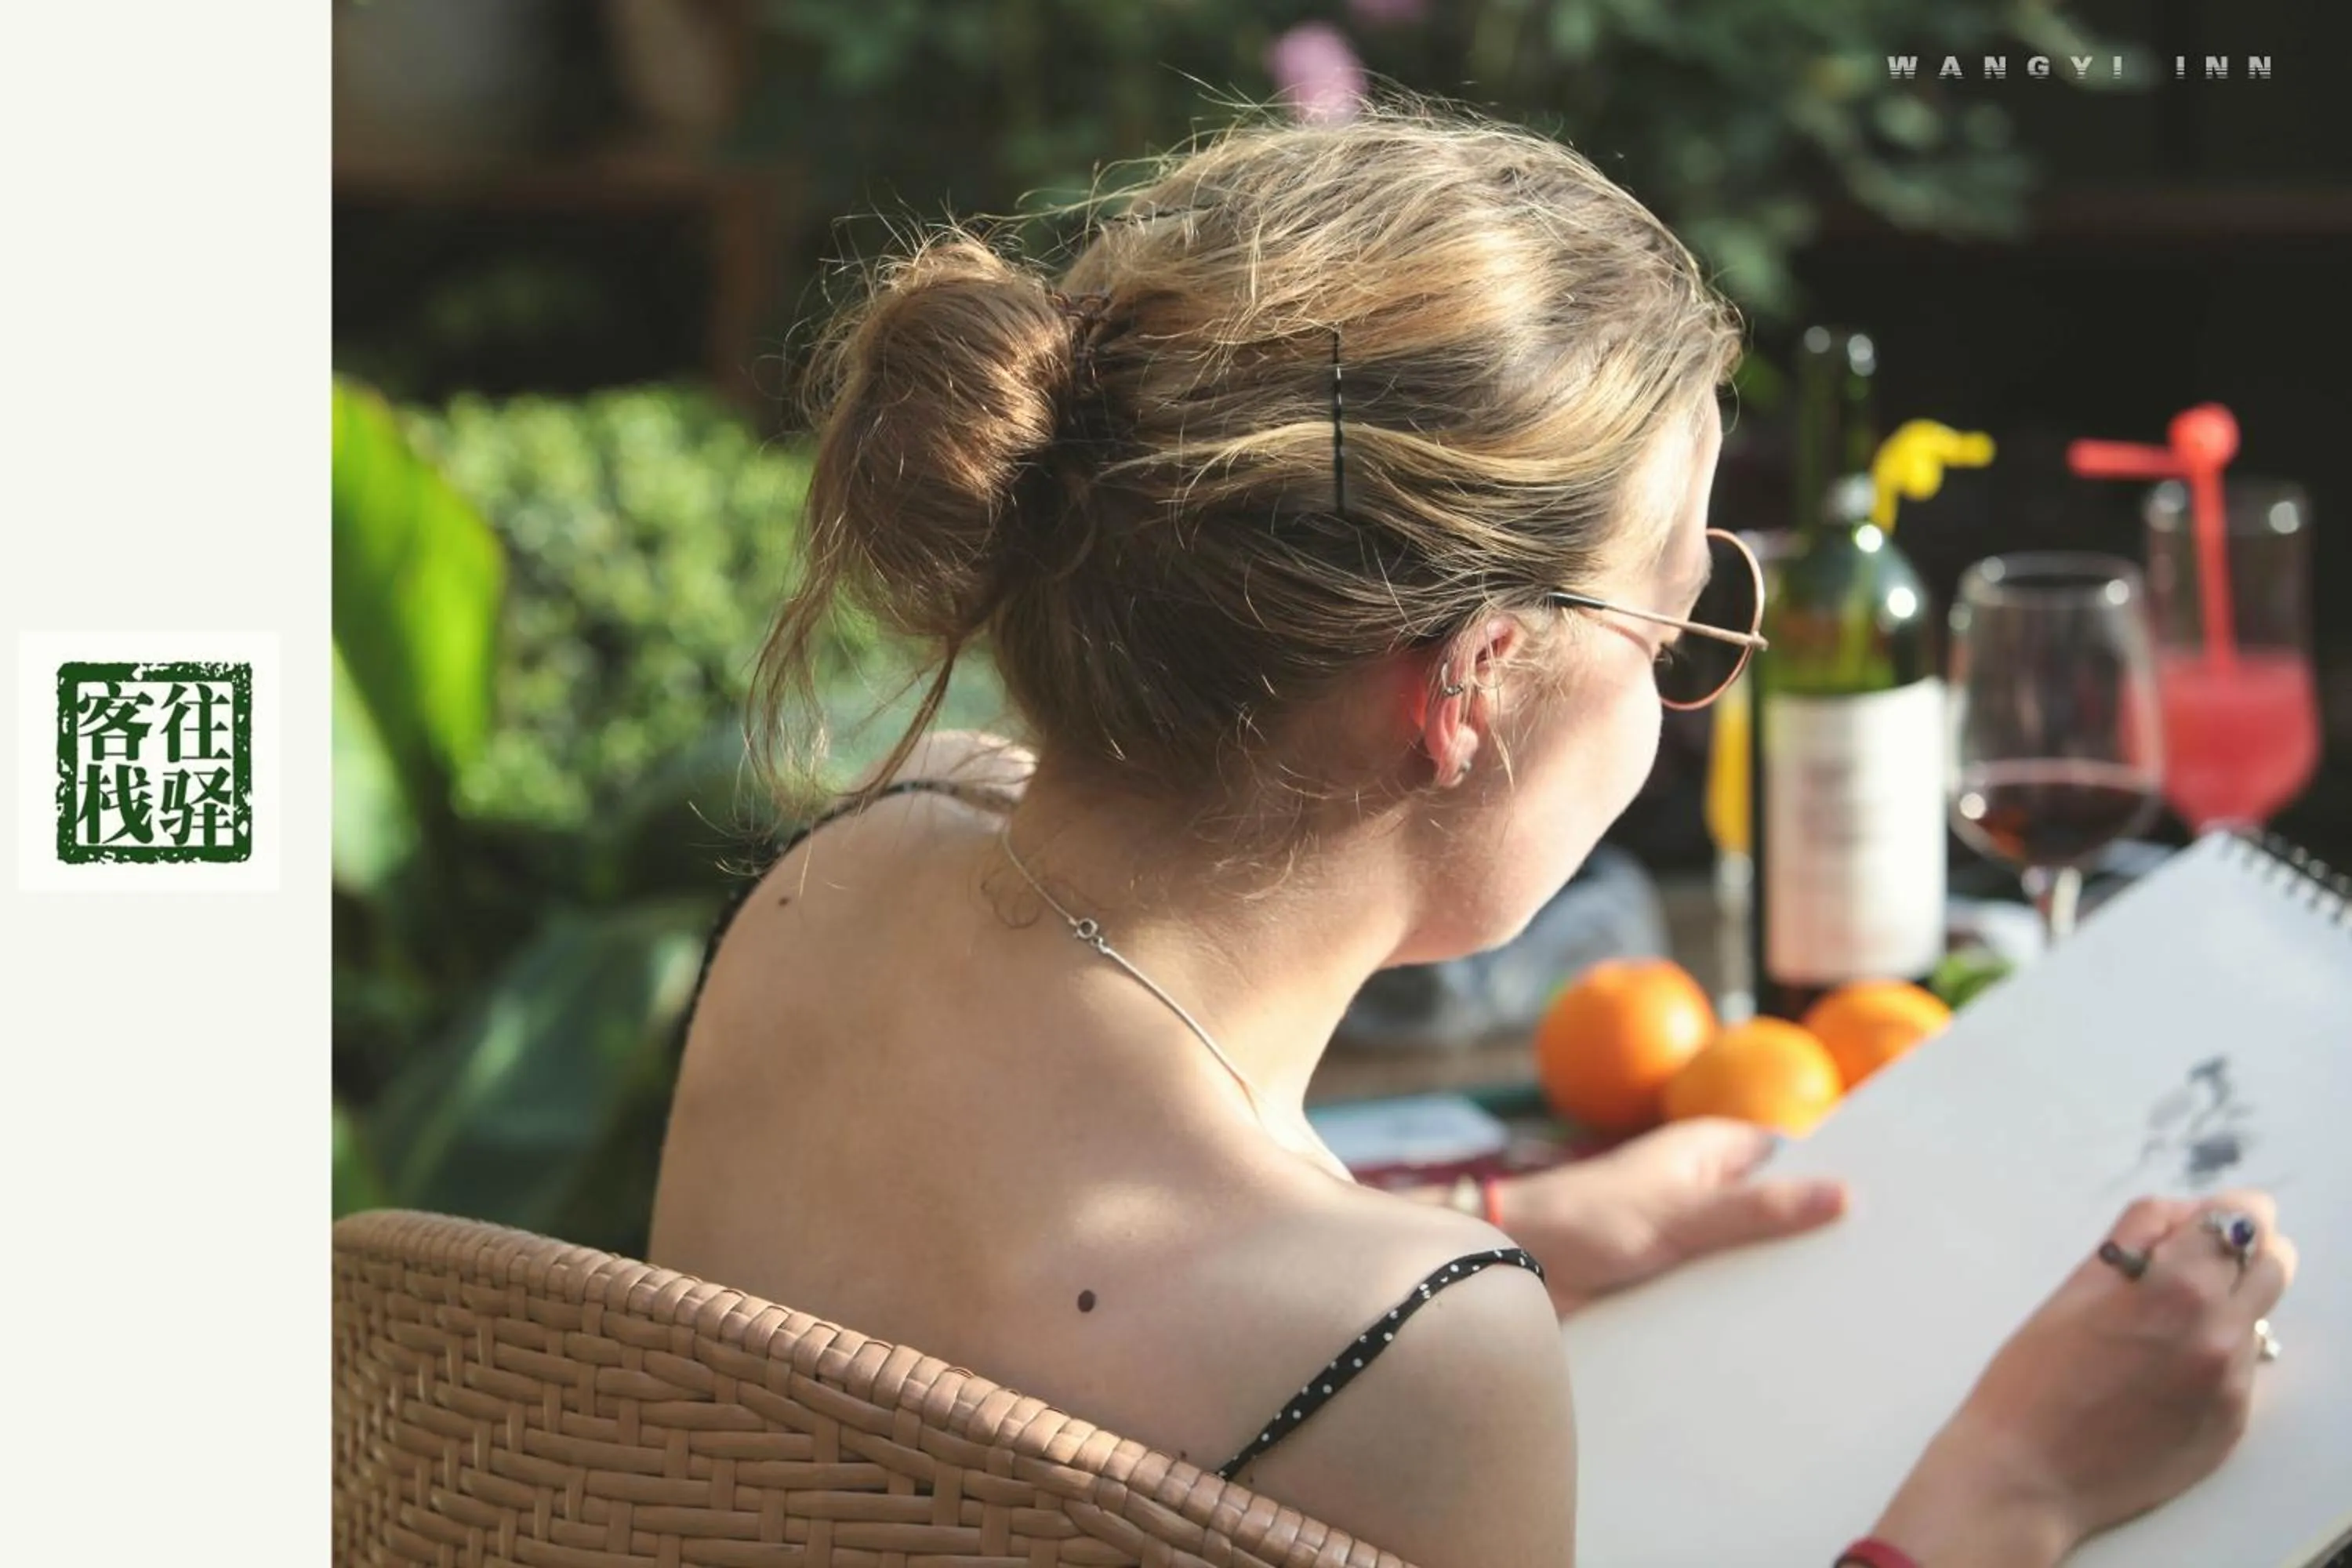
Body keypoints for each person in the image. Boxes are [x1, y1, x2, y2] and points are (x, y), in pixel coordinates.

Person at [650, 107, 2296, 1568]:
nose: (1688, 685)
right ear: (1477, 682)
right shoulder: (1415, 1365)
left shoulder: (848, 870)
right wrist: (2010, 1490)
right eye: (1677, 621)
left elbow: (1057, 1258)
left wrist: (1500, 1212)